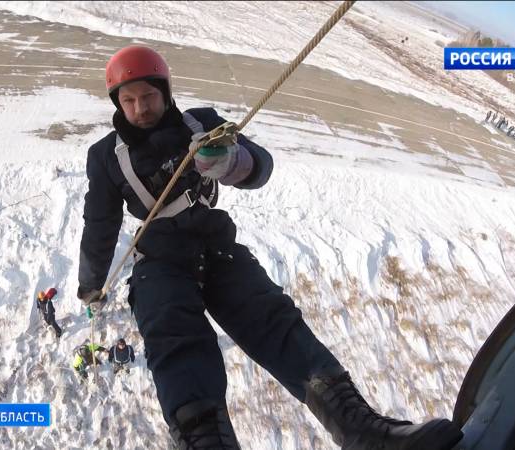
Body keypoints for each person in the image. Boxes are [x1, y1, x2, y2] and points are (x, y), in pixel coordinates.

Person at [76, 45, 463, 450]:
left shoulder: (202, 125)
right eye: (129, 99)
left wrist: (231, 162)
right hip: (158, 259)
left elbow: (261, 166)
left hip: (216, 246)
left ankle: (363, 431)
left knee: (274, 319)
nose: (140, 107)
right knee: (174, 336)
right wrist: (91, 284)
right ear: (118, 103)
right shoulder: (106, 156)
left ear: (166, 92)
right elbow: (100, 223)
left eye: (148, 96)